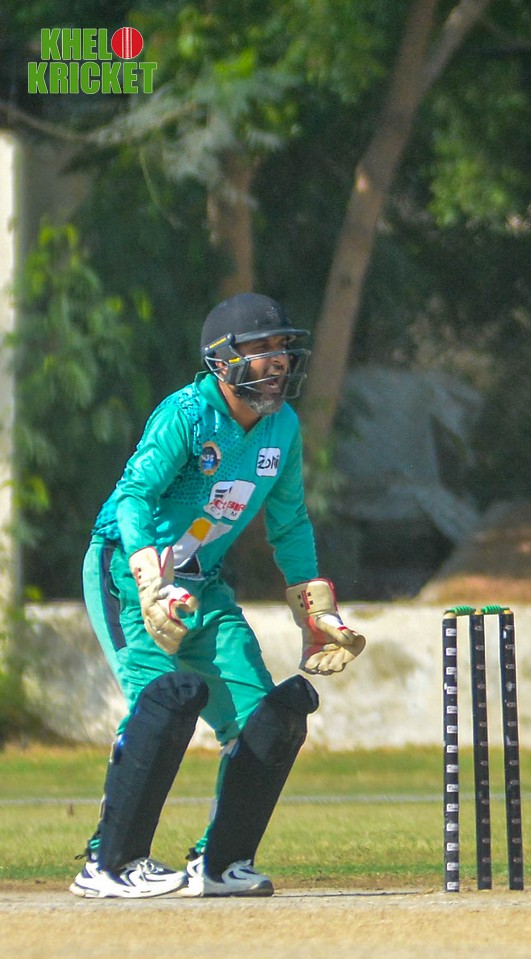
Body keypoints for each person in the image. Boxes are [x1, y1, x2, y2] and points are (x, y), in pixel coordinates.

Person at [70, 293, 367, 898]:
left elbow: (290, 523)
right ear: (222, 359)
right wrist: (148, 576)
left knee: (267, 720)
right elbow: (134, 496)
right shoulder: (186, 415)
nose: (277, 360)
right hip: (126, 573)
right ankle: (109, 863)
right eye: (260, 349)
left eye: (282, 348)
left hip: (202, 583)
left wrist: (314, 612)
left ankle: (220, 863)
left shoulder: (282, 429)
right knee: (164, 702)